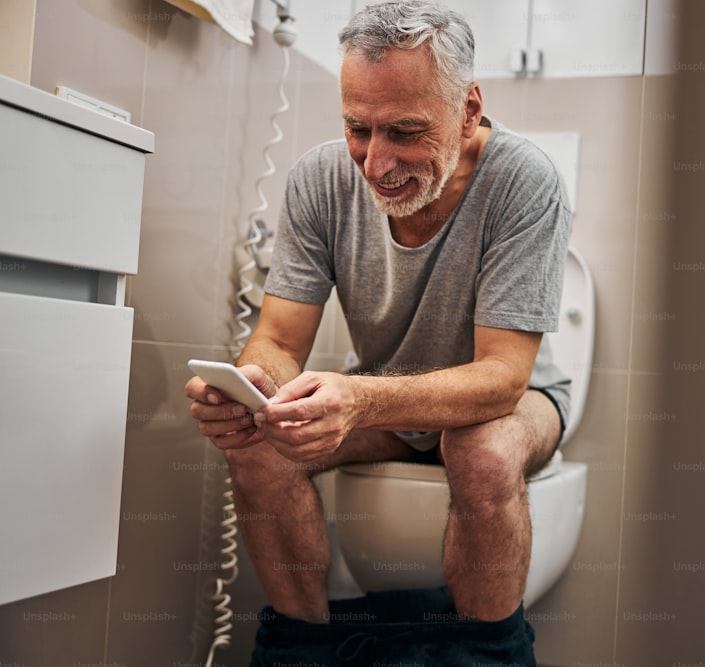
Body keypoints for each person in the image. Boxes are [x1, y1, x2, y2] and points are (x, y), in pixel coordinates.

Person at [185, 0, 572, 628]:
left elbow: (503, 376)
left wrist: (361, 400)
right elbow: (279, 340)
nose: (376, 162)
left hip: (513, 402)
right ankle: (302, 646)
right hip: (388, 397)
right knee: (260, 445)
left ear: (469, 110)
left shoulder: (524, 181)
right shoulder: (318, 179)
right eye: (358, 129)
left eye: (405, 132)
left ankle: (486, 652)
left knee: (480, 449)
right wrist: (256, 385)